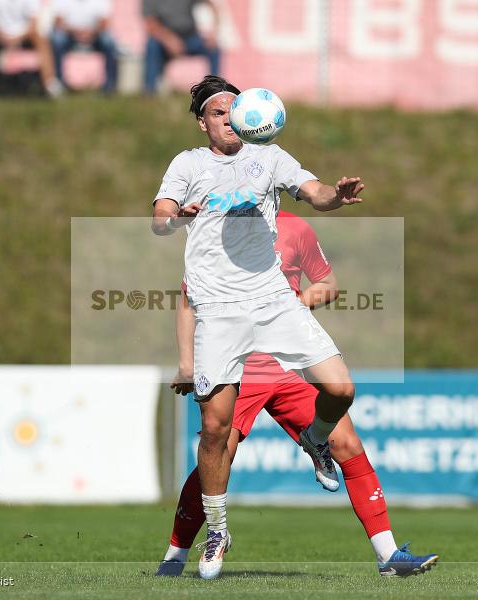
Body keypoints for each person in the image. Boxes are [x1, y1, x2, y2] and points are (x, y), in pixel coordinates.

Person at [151, 75, 361, 580]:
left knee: (340, 388)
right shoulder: (188, 164)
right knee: (216, 430)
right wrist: (178, 212)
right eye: (218, 113)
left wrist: (337, 193)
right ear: (203, 122)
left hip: (272, 299)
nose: (229, 118)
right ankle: (218, 528)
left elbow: (313, 193)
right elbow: (158, 219)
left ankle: (317, 438)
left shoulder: (270, 156)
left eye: (234, 110)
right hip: (218, 311)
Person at [156, 211, 439, 579]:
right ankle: (175, 558)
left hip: (289, 364)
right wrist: (187, 363)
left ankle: (388, 557)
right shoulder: (216, 227)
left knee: (348, 443)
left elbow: (328, 283)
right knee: (218, 454)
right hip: (238, 365)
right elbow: (188, 298)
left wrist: (288, 308)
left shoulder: (295, 227)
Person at [0, 0, 64, 98]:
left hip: (24, 35)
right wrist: (0, 35)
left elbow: (33, 24)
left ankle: (49, 83)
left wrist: (17, 38)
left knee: (42, 40)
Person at [142, 0, 221, 95]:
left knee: (213, 48)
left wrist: (213, 32)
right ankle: (149, 91)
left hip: (190, 37)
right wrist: (169, 40)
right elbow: (150, 24)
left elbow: (211, 5)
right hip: (163, 39)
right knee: (152, 46)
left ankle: (216, 90)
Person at [50, 0, 119, 94]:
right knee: (58, 40)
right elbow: (58, 22)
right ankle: (58, 85)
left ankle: (109, 87)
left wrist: (90, 33)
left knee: (108, 42)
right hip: (70, 35)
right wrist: (75, 32)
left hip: (94, 35)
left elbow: (104, 22)